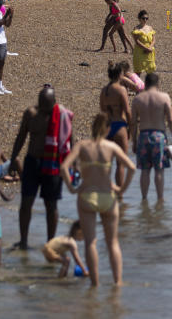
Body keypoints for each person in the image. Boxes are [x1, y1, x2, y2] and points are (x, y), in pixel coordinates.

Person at [61, 113, 136, 287]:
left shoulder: (82, 146)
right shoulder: (111, 147)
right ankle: (117, 283)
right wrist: (121, 189)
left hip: (87, 196)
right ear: (108, 129)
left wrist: (72, 188)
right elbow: (131, 167)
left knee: (90, 243)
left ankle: (95, 285)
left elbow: (64, 167)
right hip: (107, 197)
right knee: (113, 243)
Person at [8, 85, 73, 249]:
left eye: (48, 107)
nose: (45, 111)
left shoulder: (63, 114)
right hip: (33, 161)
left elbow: (71, 140)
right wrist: (13, 158)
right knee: (26, 202)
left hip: (53, 164)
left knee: (51, 205)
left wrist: (73, 165)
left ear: (54, 103)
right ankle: (23, 241)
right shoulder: (31, 114)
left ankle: (50, 242)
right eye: (42, 106)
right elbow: (21, 136)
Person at [130, 72, 172, 201]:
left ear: (145, 84)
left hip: (144, 135)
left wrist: (134, 141)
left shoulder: (138, 99)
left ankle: (144, 199)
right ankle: (160, 199)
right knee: (159, 170)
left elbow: (133, 123)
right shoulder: (164, 97)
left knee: (144, 170)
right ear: (158, 84)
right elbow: (171, 120)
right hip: (159, 136)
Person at [100, 61, 132, 192]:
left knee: (107, 163)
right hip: (119, 126)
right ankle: (119, 194)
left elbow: (102, 110)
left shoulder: (104, 90)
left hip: (108, 126)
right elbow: (127, 110)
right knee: (120, 163)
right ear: (119, 74)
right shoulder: (121, 89)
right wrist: (131, 128)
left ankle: (107, 191)